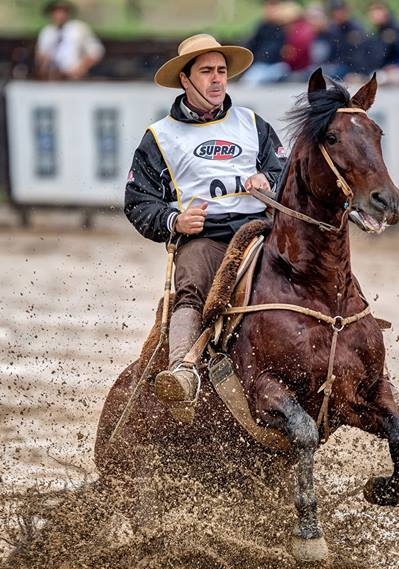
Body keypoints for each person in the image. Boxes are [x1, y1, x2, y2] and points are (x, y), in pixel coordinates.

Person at [123, 34, 285, 420]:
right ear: (185, 79)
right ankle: (183, 372)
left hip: (262, 229)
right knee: (191, 285)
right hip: (206, 239)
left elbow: (284, 171)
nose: (217, 80)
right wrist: (174, 220)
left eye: (222, 71)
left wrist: (268, 180)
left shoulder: (252, 123)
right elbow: (138, 200)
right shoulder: (160, 137)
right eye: (207, 71)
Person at [35, 0, 104, 80]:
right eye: (56, 12)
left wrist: (81, 67)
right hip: (54, 78)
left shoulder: (79, 28)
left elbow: (96, 52)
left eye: (63, 11)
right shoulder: (47, 32)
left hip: (75, 78)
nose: (59, 15)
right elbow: (41, 55)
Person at [242, 0, 290, 85]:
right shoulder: (262, 26)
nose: (271, 12)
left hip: (277, 65)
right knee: (249, 81)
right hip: (260, 64)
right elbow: (252, 44)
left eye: (274, 9)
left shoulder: (285, 28)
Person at [322, 0, 367, 79]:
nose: (338, 14)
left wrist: (355, 73)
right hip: (335, 65)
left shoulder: (355, 28)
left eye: (340, 11)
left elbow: (360, 54)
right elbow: (331, 53)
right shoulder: (333, 28)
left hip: (349, 68)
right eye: (336, 12)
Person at [365, 2, 399, 71]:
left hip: (397, 70)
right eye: (372, 12)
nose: (375, 15)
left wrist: (398, 64)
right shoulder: (376, 32)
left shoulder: (394, 30)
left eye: (378, 10)